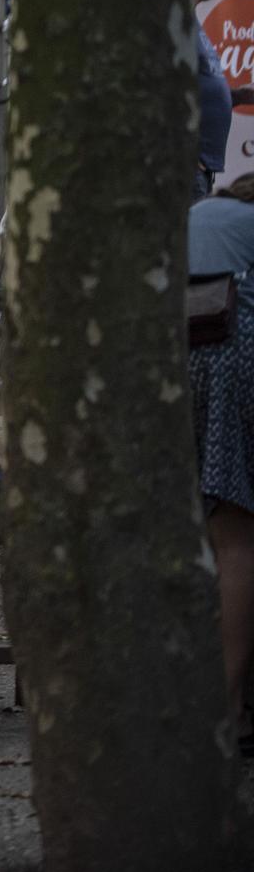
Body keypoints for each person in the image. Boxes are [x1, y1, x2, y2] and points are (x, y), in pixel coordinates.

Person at [187, 172, 254, 754]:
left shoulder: (202, 215)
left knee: (210, 533)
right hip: (234, 364)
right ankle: (228, 708)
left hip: (177, 367)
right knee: (237, 537)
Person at [192, 0, 254, 202]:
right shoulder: (176, 26)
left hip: (203, 169)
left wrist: (238, 95)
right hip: (190, 168)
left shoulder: (191, 24)